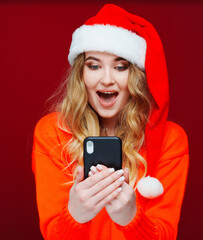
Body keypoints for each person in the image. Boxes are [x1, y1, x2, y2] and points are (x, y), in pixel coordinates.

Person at [32, 4, 189, 240]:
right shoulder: (52, 133)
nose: (106, 79)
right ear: (81, 75)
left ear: (136, 75)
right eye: (94, 65)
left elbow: (166, 234)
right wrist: (75, 214)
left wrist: (131, 219)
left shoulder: (170, 140)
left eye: (120, 67)